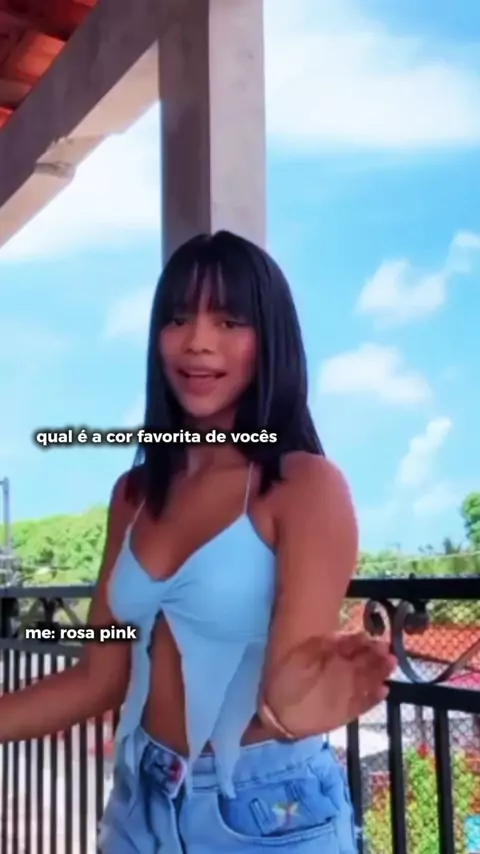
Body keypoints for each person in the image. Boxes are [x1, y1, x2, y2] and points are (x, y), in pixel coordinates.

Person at [0, 231, 395, 853]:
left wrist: (300, 704)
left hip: (266, 809)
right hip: (141, 800)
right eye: (178, 318)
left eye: (229, 321)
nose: (198, 341)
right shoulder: (134, 494)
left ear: (270, 339)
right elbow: (99, 674)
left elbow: (288, 685)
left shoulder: (303, 486)